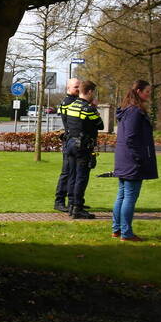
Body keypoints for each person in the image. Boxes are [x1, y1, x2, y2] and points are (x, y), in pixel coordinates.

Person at [112, 80, 158, 241]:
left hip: (124, 158)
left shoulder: (127, 110)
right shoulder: (134, 112)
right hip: (131, 160)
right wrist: (140, 158)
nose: (148, 95)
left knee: (122, 194)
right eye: (146, 92)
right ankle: (126, 232)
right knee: (129, 196)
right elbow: (131, 137)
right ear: (138, 91)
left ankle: (117, 229)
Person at [60, 80, 104, 219]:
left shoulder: (72, 105)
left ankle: (72, 206)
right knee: (81, 177)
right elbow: (100, 125)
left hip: (70, 144)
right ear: (89, 91)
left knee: (72, 176)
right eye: (93, 92)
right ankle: (78, 208)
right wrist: (95, 109)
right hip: (83, 147)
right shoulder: (88, 109)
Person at [53, 77, 82, 213]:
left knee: (71, 172)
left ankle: (73, 201)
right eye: (76, 87)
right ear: (68, 88)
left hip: (71, 140)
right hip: (70, 140)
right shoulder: (68, 102)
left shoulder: (74, 101)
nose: (78, 89)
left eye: (79, 86)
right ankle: (59, 201)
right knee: (66, 172)